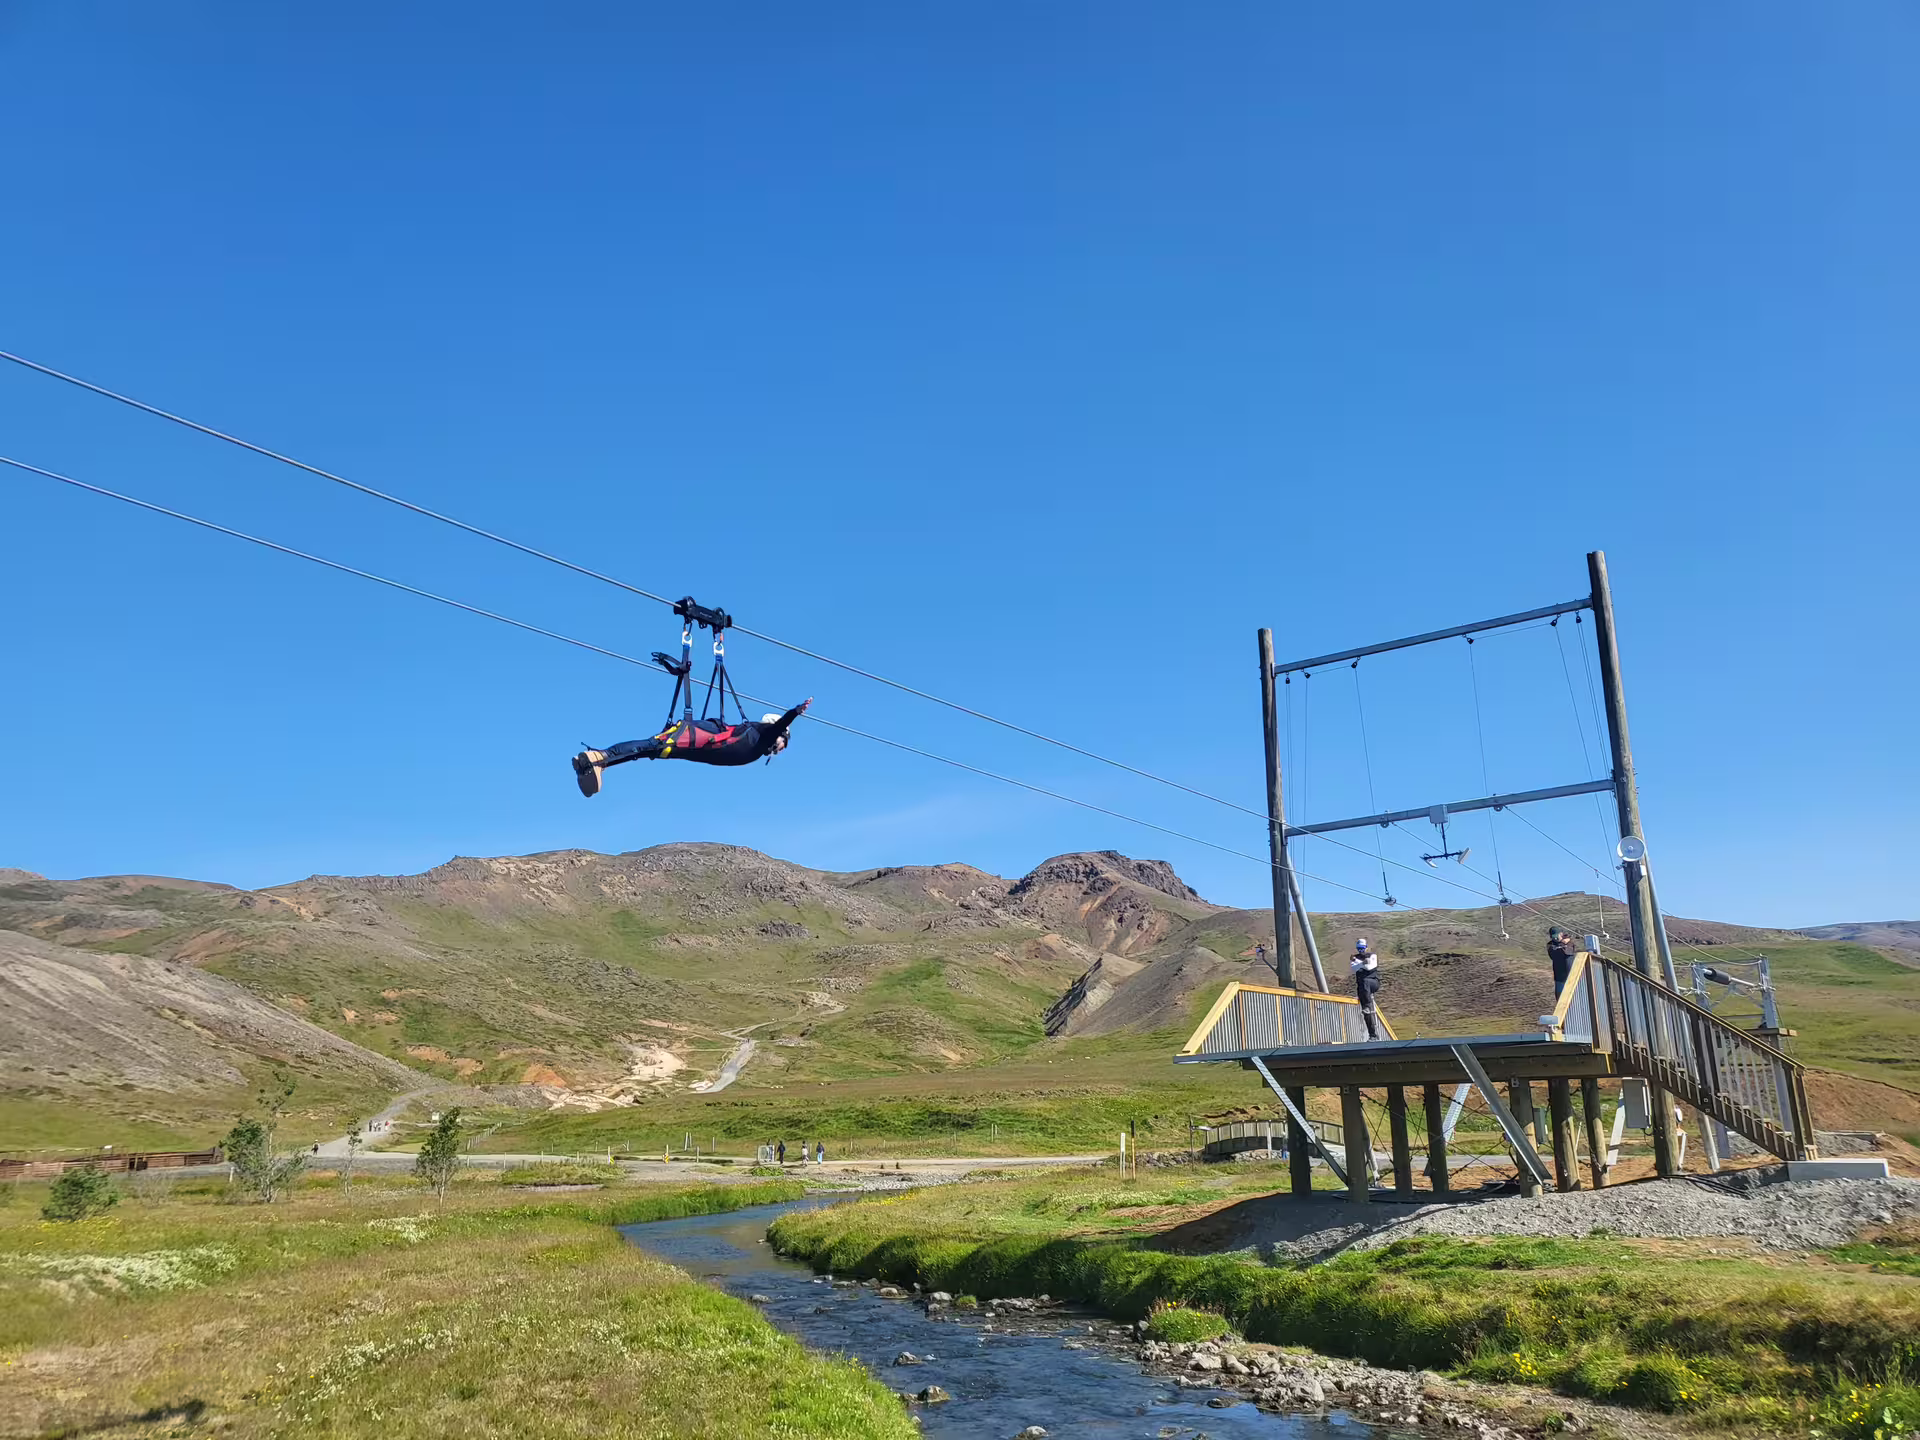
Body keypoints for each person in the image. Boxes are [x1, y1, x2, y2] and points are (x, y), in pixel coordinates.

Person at [572, 699, 812, 797]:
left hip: (700, 747)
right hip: (703, 739)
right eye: (784, 743)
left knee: (652, 750)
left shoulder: (757, 745)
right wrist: (795, 712)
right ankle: (599, 757)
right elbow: (781, 723)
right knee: (654, 745)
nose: (782, 749)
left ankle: (599, 763)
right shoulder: (762, 733)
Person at [1350, 937, 1382, 1040]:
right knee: (1365, 1012)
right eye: (1359, 948)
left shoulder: (1372, 956)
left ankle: (1367, 1006)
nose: (1361, 950)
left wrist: (1358, 963)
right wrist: (1362, 963)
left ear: (1366, 947)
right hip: (1362, 987)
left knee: (1365, 982)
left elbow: (1370, 967)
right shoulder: (1354, 958)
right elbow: (1353, 968)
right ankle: (1372, 1034)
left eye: (1362, 948)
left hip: (1373, 982)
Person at [1548, 928, 1578, 998]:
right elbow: (1557, 953)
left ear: (1561, 934)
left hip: (1572, 976)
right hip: (1559, 978)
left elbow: (1568, 952)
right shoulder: (1550, 945)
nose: (1555, 938)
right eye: (1553, 936)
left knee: (1575, 997)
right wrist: (1563, 943)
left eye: (1556, 935)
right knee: (1560, 998)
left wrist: (1568, 941)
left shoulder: (1570, 943)